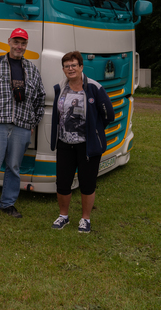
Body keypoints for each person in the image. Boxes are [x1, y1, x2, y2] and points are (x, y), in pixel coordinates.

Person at [0, 28, 46, 224]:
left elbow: (40, 98)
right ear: (9, 41)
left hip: (22, 126)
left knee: (14, 167)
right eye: (16, 42)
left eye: (23, 43)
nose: (19, 46)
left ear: (26, 45)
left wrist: (32, 122)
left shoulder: (32, 69)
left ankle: (8, 203)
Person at [50, 51, 114, 233]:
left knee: (87, 184)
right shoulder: (60, 87)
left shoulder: (94, 88)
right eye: (67, 66)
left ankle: (85, 219)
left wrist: (95, 129)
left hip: (87, 145)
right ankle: (63, 216)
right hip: (64, 143)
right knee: (62, 183)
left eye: (74, 65)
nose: (70, 69)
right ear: (63, 69)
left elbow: (108, 114)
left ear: (81, 67)